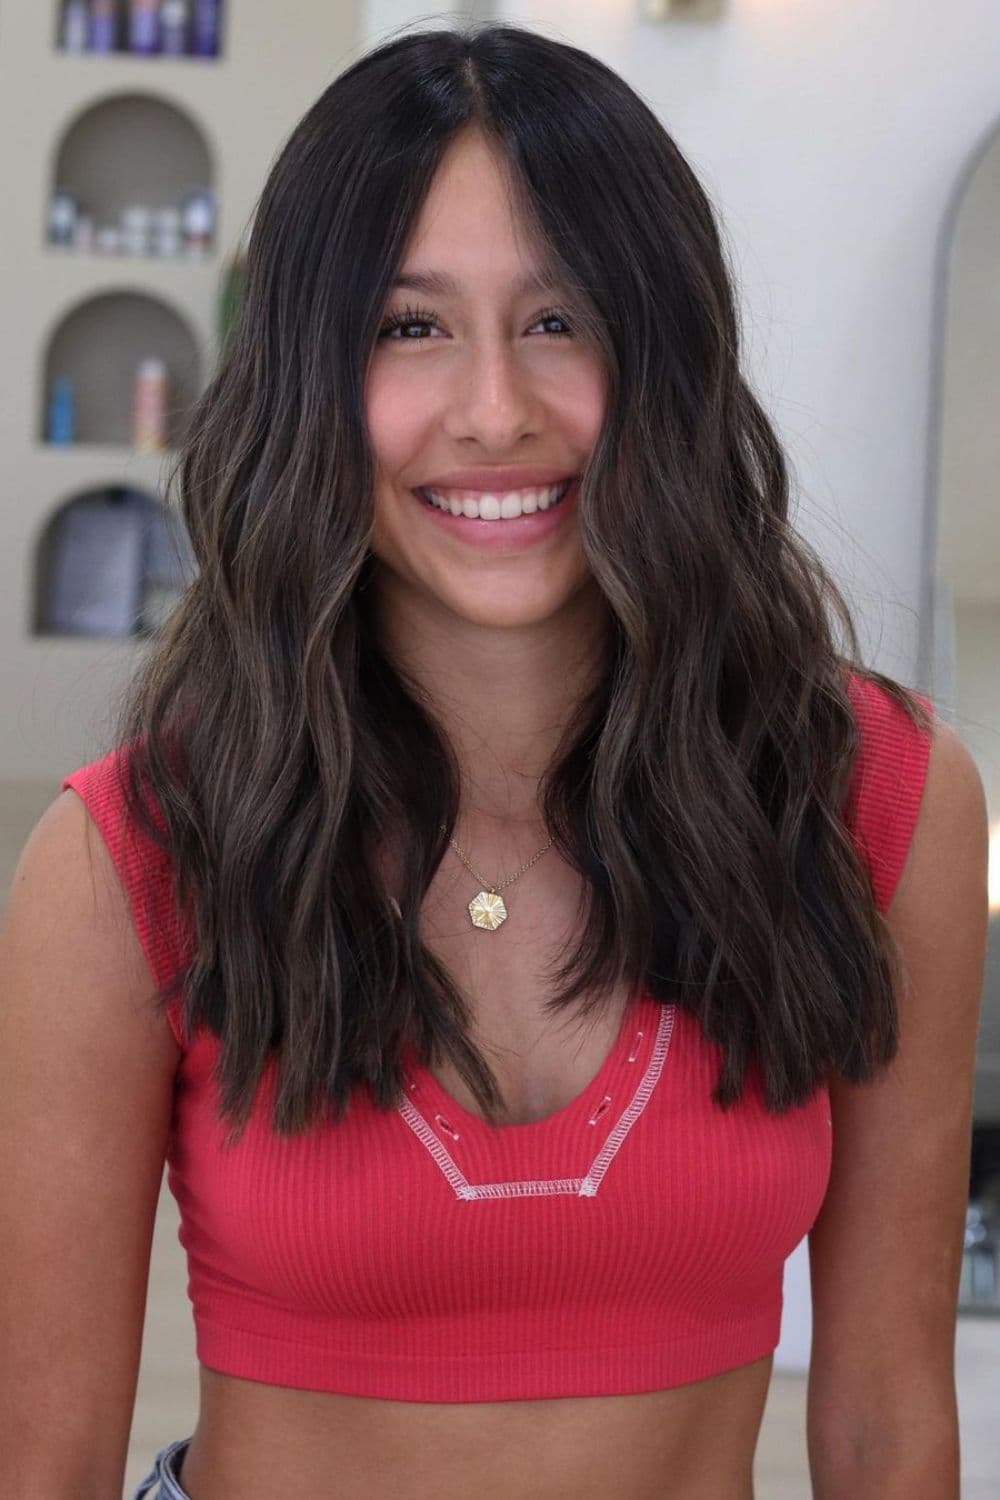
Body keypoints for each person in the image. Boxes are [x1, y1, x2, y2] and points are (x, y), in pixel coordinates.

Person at [0, 21, 989, 1500]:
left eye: (561, 319)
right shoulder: (131, 857)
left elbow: (886, 1421)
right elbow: (42, 1465)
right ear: (308, 380)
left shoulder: (873, 800)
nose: (494, 412)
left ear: (667, 353)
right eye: (408, 327)